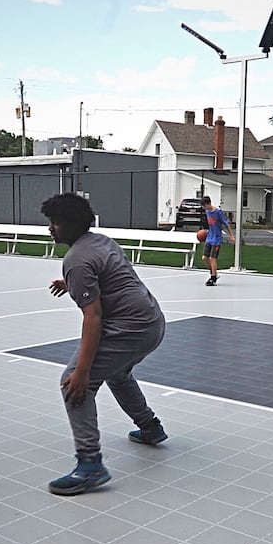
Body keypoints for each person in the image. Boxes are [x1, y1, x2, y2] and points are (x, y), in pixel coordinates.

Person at [42, 192, 167, 496]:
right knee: (118, 372)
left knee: (72, 384)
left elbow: (93, 317)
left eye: (55, 223)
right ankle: (150, 427)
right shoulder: (100, 241)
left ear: (70, 225)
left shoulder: (77, 259)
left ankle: (90, 465)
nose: (51, 229)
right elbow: (111, 275)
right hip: (152, 322)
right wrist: (70, 283)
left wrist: (83, 372)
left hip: (131, 328)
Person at [200, 195, 235, 286]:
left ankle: (213, 278)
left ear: (208, 203)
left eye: (204, 206)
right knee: (204, 258)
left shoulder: (217, 212)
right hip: (209, 237)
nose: (204, 208)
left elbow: (226, 224)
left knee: (212, 258)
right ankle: (213, 272)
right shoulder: (207, 211)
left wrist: (231, 236)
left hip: (217, 238)